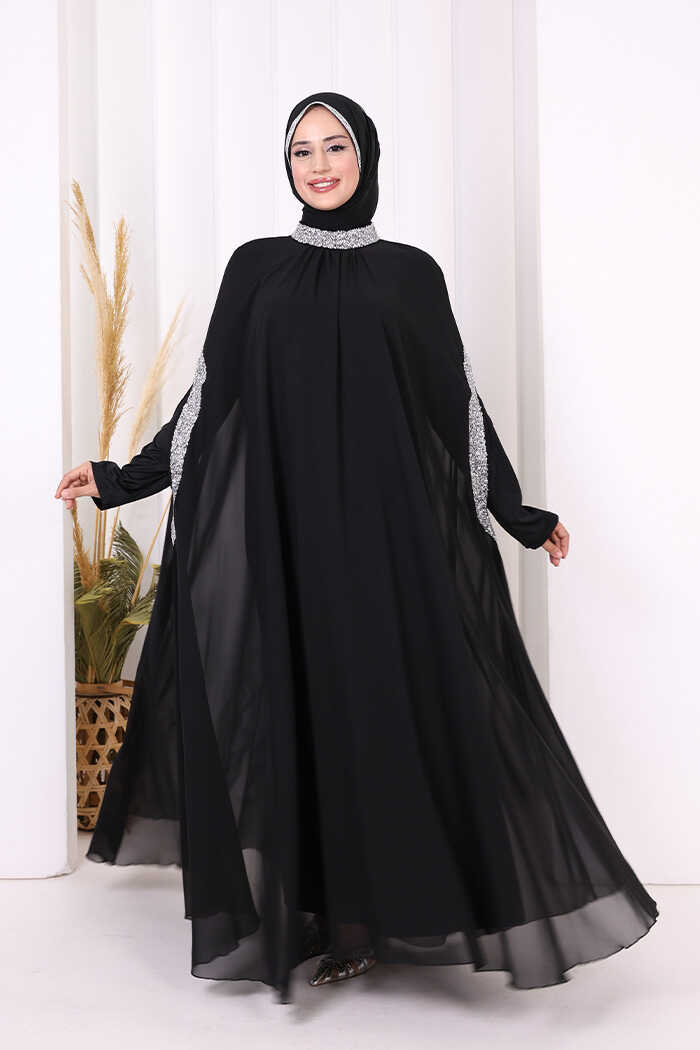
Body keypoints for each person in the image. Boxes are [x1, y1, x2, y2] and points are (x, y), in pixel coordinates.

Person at [56, 91, 658, 1003]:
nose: (320, 164)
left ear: (366, 156)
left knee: (370, 704)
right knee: (291, 702)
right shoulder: (255, 268)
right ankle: (310, 909)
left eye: (335, 146)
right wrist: (120, 478)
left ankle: (368, 917)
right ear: (287, 166)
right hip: (283, 534)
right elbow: (209, 399)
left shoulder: (410, 275)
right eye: (302, 150)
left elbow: (456, 405)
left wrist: (517, 512)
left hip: (382, 541)